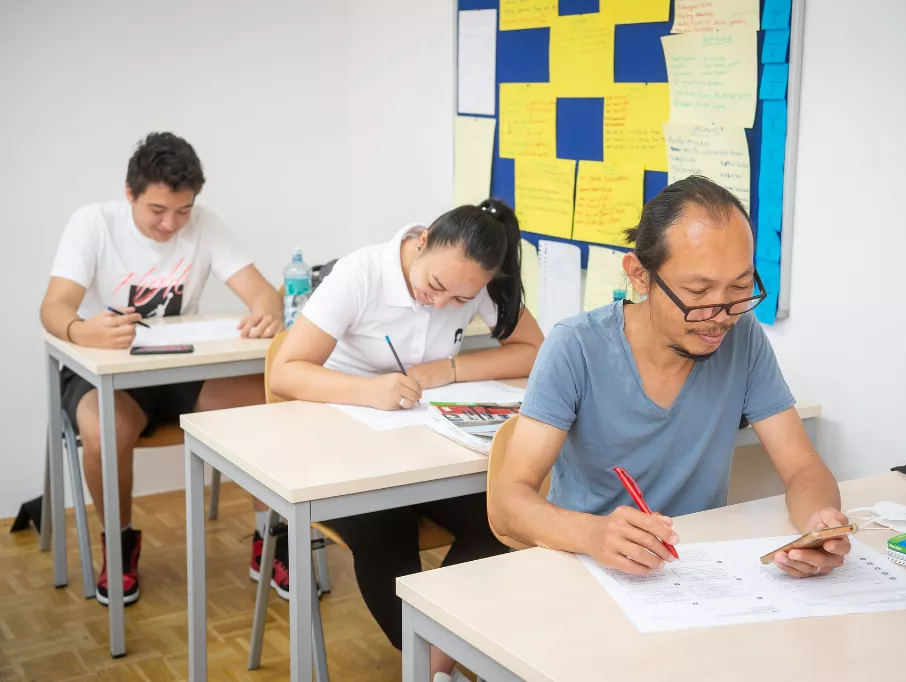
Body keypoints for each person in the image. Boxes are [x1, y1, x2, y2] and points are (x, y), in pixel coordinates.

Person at [489, 176, 851, 579]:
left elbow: (802, 467)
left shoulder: (742, 335)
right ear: (640, 275)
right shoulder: (576, 347)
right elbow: (507, 503)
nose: (720, 317)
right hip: (585, 569)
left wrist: (820, 527)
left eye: (741, 286)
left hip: (696, 571)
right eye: (697, 291)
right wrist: (594, 534)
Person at [270, 198, 544, 682]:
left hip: (424, 447)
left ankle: (431, 667)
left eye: (461, 300)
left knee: (505, 515)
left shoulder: (470, 280)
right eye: (436, 285)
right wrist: (367, 392)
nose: (442, 304)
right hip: (338, 446)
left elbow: (532, 350)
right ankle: (431, 662)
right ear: (421, 243)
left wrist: (451, 368)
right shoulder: (361, 274)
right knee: (384, 524)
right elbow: (286, 372)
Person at [39, 132, 287, 606]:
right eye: (157, 210)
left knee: (268, 400)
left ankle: (269, 537)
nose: (171, 224)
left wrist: (267, 313)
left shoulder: (205, 225)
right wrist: (80, 330)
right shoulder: (93, 223)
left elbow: (264, 293)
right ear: (130, 194)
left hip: (177, 367)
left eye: (184, 211)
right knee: (104, 430)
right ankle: (121, 541)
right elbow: (52, 308)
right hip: (104, 372)